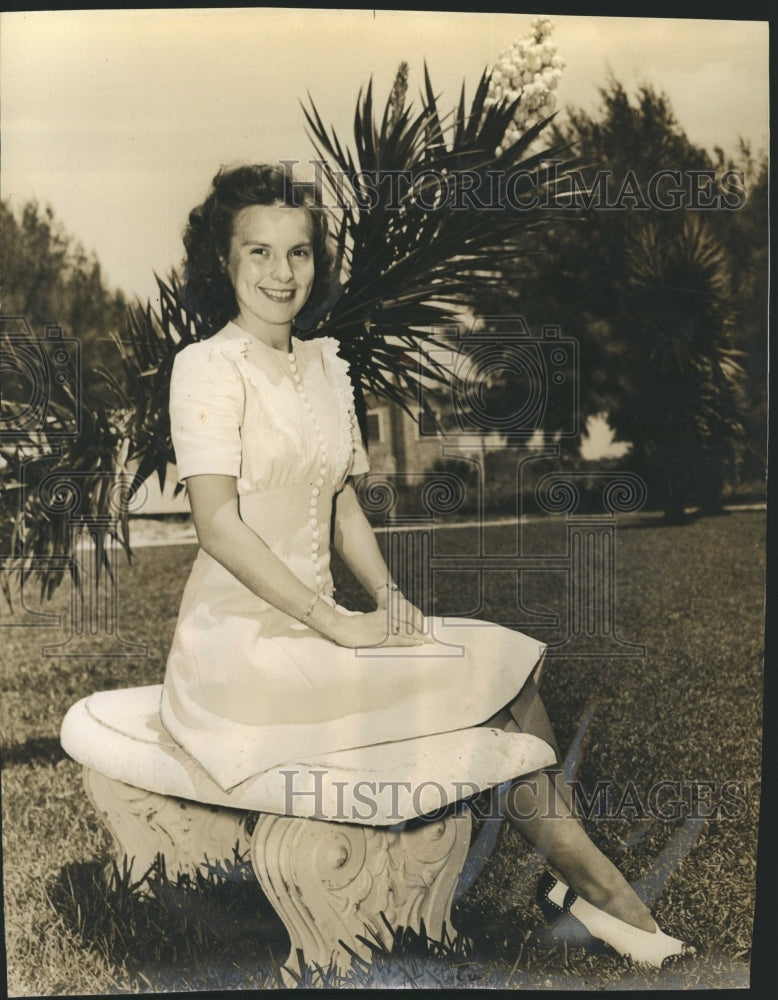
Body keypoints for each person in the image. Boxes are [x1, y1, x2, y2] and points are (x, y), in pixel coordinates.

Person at [161, 163, 694, 969]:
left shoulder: (323, 368)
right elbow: (218, 525)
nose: (281, 274)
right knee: (471, 684)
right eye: (259, 253)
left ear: (316, 262)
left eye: (298, 254)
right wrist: (337, 622)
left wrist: (387, 597)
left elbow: (341, 504)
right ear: (223, 262)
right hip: (235, 652)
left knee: (502, 663)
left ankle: (588, 884)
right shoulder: (206, 367)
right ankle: (606, 896)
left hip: (319, 630)